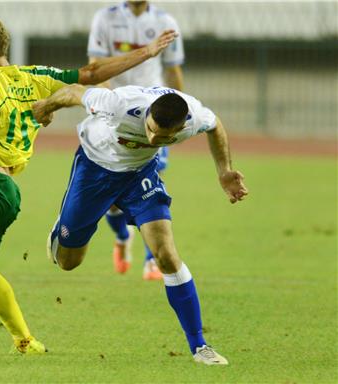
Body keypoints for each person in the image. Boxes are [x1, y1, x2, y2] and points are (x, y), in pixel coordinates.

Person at [0, 16, 178, 354]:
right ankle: (24, 340)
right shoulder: (38, 77)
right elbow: (92, 73)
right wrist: (147, 52)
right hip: (8, 195)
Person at [33, 84, 248, 364]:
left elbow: (215, 124)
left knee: (166, 255)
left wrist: (224, 171)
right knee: (68, 261)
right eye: (150, 129)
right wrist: (46, 107)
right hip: (94, 169)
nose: (153, 137)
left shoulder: (193, 116)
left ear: (181, 127)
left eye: (163, 137)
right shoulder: (119, 104)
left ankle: (199, 346)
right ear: (147, 114)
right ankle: (71, 224)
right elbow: (75, 92)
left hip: (139, 176)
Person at [88, 0, 185, 280]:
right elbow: (96, 68)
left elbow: (173, 71)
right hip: (115, 115)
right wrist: (110, 107)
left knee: (150, 187)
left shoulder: (166, 22)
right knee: (113, 200)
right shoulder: (104, 19)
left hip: (153, 117)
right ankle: (122, 237)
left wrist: (181, 112)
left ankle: (152, 260)